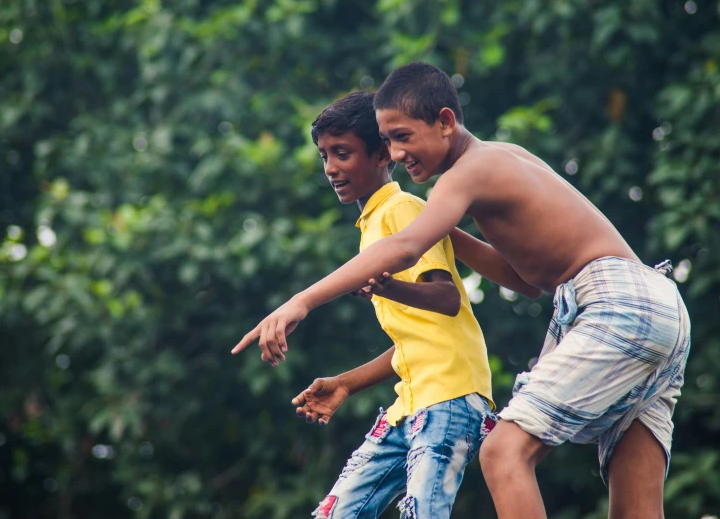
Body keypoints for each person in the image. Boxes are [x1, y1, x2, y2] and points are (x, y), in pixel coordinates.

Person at [233, 64, 691, 519]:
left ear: (446, 122)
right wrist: (446, 232)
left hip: (615, 303)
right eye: (387, 141)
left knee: (503, 453)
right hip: (655, 304)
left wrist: (302, 301)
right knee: (635, 508)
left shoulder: (467, 172)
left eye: (403, 137)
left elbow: (406, 247)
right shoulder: (501, 158)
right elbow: (526, 283)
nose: (394, 153)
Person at [277, 90, 536, 519]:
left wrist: (386, 288)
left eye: (343, 153)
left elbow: (448, 298)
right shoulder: (373, 225)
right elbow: (416, 340)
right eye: (324, 156)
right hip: (409, 405)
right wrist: (346, 382)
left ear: (383, 154)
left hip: (449, 399)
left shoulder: (402, 209)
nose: (331, 168)